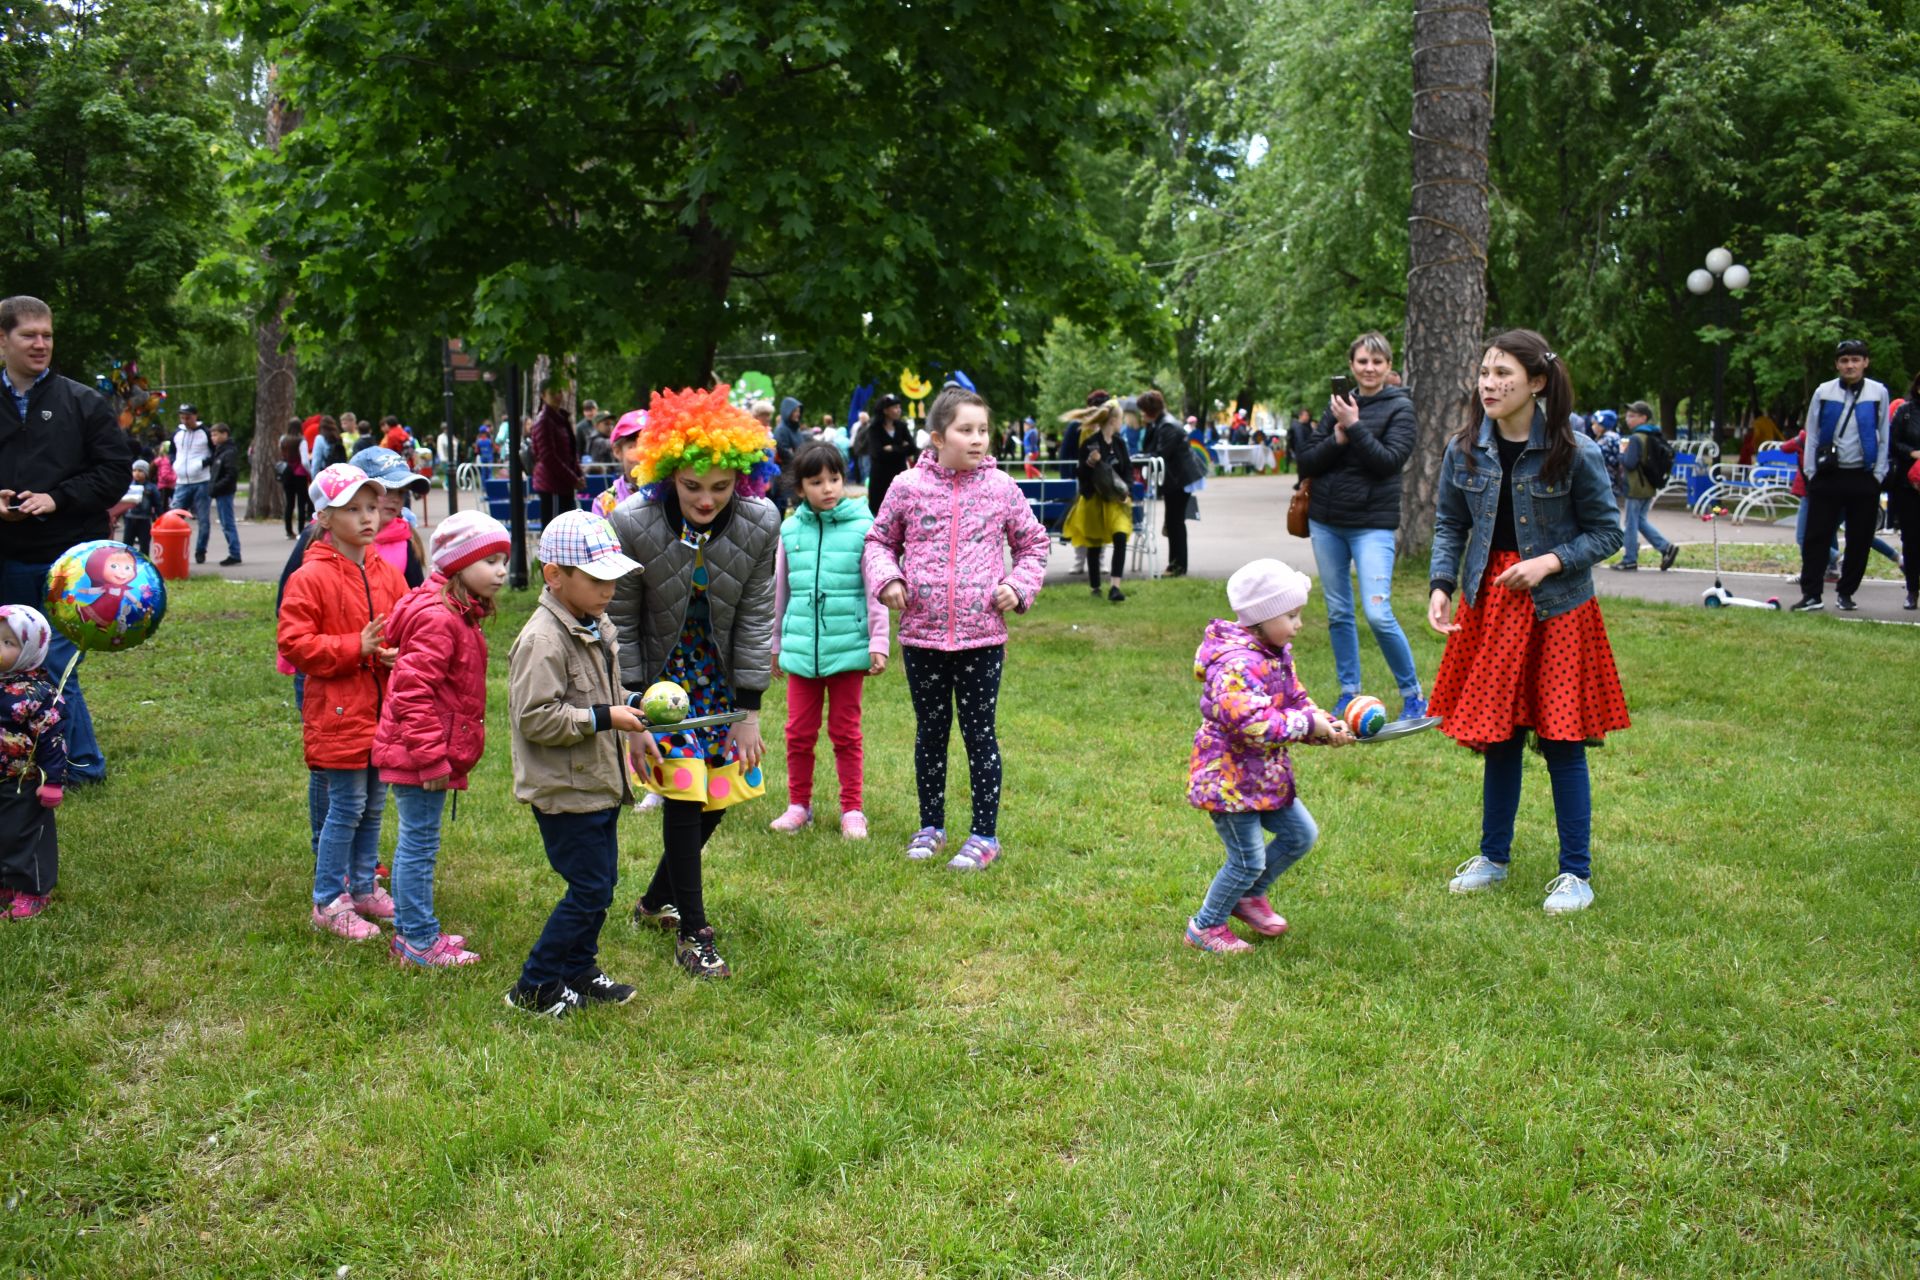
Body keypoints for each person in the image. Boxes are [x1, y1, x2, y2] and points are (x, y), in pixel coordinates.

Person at [1427, 329, 1627, 915]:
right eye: (1485, 373)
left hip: (1557, 609)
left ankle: (1576, 875)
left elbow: (1608, 533)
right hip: (1490, 606)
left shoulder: (1576, 450)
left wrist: (1548, 561)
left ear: (1537, 382)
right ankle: (1493, 858)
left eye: (1503, 374)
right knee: (1499, 737)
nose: (1489, 384)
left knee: (1562, 740)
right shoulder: (1463, 449)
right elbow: (1448, 524)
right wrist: (1442, 585)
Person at [607, 385, 782, 981]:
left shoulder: (762, 523)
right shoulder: (631, 522)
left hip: (722, 681)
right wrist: (631, 709)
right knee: (683, 792)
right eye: (691, 486)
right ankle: (693, 932)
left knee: (718, 795)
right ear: (664, 475)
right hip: (660, 681)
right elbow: (622, 618)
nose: (706, 499)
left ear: (743, 477)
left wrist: (749, 708)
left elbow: (758, 614)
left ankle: (655, 899)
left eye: (720, 486)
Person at [864, 384, 1050, 871]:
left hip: (981, 638)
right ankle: (931, 826)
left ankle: (984, 835)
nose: (978, 439)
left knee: (979, 734)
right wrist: (888, 579)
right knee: (930, 733)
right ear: (935, 437)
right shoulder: (906, 487)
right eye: (965, 430)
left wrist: (1018, 585)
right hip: (922, 636)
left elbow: (1034, 544)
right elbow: (879, 541)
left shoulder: (1002, 489)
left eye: (983, 430)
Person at [503, 510, 648, 1017]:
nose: (609, 590)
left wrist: (631, 701)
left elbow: (601, 694)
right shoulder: (543, 640)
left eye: (613, 578)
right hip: (565, 791)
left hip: (598, 782)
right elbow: (535, 719)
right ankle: (535, 985)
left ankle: (579, 970)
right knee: (588, 888)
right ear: (554, 575)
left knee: (601, 885)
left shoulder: (593, 623)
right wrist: (607, 717)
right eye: (596, 579)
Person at [1184, 560, 1349, 952]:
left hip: (1262, 777)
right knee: (1246, 859)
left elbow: (1296, 701)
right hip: (1229, 781)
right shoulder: (1236, 665)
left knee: (1300, 835)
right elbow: (1255, 725)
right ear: (1261, 618)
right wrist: (1309, 725)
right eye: (1291, 616)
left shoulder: (1275, 654)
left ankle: (1247, 896)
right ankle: (1205, 927)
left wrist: (1327, 725)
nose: (1298, 624)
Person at [371, 512, 511, 968]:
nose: (502, 571)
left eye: (503, 561)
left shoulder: (457, 611)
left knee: (422, 842)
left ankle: (418, 930)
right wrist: (432, 759)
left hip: (424, 751)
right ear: (457, 564)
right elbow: (412, 693)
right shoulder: (440, 618)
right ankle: (416, 941)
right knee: (419, 844)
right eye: (489, 560)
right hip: (418, 756)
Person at [277, 464, 410, 940]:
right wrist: (356, 647)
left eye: (371, 507)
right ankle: (328, 899)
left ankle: (363, 886)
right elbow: (294, 644)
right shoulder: (309, 577)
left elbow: (404, 625)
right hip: (338, 712)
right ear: (326, 518)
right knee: (347, 805)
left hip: (380, 712)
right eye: (352, 509)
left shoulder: (388, 574)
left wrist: (396, 651)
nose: (367, 517)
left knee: (374, 804)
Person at [0, 295, 130, 785]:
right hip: (8, 557)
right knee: (9, 663)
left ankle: (79, 768)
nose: (40, 344)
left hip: (70, 562)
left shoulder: (83, 402)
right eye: (28, 335)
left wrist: (58, 498)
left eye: (47, 335)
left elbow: (115, 472)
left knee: (56, 666)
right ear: (2, 340)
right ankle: (17, 760)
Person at [1290, 331, 1424, 720]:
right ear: (1352, 365)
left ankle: (1413, 695)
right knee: (1338, 612)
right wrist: (1336, 437)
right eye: (1362, 361)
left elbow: (1388, 461)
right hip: (1327, 522)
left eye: (1377, 362)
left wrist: (1356, 426)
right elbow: (1306, 462)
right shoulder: (1337, 405)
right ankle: (1349, 691)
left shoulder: (1401, 408)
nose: (1369, 368)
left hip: (1372, 524)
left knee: (1379, 613)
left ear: (1387, 367)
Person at [767, 441, 890, 839]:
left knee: (845, 732)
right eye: (817, 481)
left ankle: (852, 808)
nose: (828, 488)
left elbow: (875, 589)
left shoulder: (863, 528)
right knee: (798, 732)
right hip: (802, 652)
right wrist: (775, 644)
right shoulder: (789, 531)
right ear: (800, 489)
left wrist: (879, 641)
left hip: (848, 649)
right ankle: (798, 805)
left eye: (834, 478)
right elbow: (779, 592)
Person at [1791, 340, 1893, 612]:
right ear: (1837, 364)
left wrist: (1878, 474)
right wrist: (1812, 472)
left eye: (1856, 360)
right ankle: (1811, 595)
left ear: (1865, 362)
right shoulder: (1823, 392)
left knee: (1860, 540)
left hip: (1864, 476)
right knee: (1816, 538)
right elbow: (1811, 433)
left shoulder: (1878, 392)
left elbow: (1884, 434)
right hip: (1828, 475)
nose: (1850, 365)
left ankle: (1846, 593)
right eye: (1845, 360)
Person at [0, 606, 65, 920]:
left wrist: (53, 781)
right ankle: (8, 884)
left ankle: (34, 890)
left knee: (24, 835)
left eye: (7, 643)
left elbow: (52, 742)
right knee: (3, 835)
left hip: (23, 781)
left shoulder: (37, 695)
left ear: (29, 651)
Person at [1059, 399, 1133, 602]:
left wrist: (1127, 488)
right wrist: (1089, 464)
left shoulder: (1120, 444)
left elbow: (1127, 471)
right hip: (1094, 501)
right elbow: (1080, 474)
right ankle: (1095, 587)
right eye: (1120, 419)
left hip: (1116, 502)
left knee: (1120, 537)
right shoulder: (1089, 444)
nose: (1121, 423)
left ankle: (1115, 587)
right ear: (1114, 420)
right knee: (1094, 544)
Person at [1139, 389, 1202, 577]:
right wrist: (1148, 427)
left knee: (1175, 523)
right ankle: (1175, 565)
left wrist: (1140, 456)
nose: (1141, 414)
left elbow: (1159, 454)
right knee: (1173, 523)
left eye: (1143, 410)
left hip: (1179, 480)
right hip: (1175, 480)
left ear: (1150, 410)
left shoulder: (1167, 426)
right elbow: (1150, 447)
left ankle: (1177, 566)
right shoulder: (1161, 423)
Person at [1612, 401, 1679, 572]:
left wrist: (1622, 454)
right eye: (1628, 415)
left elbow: (1630, 463)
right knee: (1640, 520)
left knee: (1631, 523)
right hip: (1649, 485)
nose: (1628, 419)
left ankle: (1629, 559)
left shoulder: (1635, 438)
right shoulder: (1653, 435)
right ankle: (1666, 548)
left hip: (1635, 486)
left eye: (1633, 416)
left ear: (1643, 418)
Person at [529, 380, 582, 529]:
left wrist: (578, 474)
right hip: (552, 486)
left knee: (567, 530)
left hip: (564, 485)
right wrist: (573, 478)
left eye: (559, 391)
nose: (558, 396)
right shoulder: (543, 421)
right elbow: (549, 458)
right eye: (552, 393)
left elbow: (570, 450)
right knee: (553, 531)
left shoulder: (561, 418)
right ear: (542, 396)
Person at [1887, 375, 1920, 610]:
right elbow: (1892, 443)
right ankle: (1912, 590)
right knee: (1911, 539)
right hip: (1909, 487)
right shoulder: (1905, 412)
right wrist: (1912, 453)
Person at [170, 403, 215, 563]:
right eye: (182, 417)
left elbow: (214, 452)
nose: (185, 420)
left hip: (201, 481)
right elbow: (173, 451)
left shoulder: (205, 433)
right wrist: (174, 463)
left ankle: (200, 551)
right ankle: (173, 549)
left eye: (188, 417)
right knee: (174, 517)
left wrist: (202, 464)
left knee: (203, 518)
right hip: (182, 481)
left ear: (195, 416)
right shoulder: (177, 433)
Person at [591, 410, 648, 518]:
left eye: (650, 444)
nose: (644, 454)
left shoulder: (674, 493)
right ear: (617, 451)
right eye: (633, 447)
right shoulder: (604, 503)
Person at [864, 393, 913, 516]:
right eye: (895, 407)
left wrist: (892, 448)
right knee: (879, 509)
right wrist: (902, 448)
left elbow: (912, 448)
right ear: (885, 410)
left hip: (899, 473)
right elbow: (877, 453)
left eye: (899, 407)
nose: (898, 410)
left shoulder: (902, 426)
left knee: (900, 508)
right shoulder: (874, 428)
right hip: (880, 476)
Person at [207, 422, 244, 567]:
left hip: (225, 492)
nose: (213, 438)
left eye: (216, 434)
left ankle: (235, 553)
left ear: (225, 434)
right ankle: (234, 552)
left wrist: (216, 487)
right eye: (212, 435)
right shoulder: (219, 451)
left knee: (228, 523)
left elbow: (230, 474)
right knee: (225, 523)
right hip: (221, 491)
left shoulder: (228, 452)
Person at [279, 417, 312, 536]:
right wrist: (309, 472)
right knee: (301, 503)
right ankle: (300, 531)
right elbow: (304, 460)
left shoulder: (283, 439)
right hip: (299, 474)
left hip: (287, 472)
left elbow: (282, 454)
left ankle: (288, 531)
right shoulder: (301, 441)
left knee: (289, 502)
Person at [121, 460, 159, 557]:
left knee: (144, 546)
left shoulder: (151, 488)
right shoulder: (129, 486)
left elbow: (157, 504)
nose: (137, 473)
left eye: (140, 471)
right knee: (127, 545)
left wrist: (158, 519)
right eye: (134, 470)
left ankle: (145, 564)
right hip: (130, 519)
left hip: (144, 520)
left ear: (146, 473)